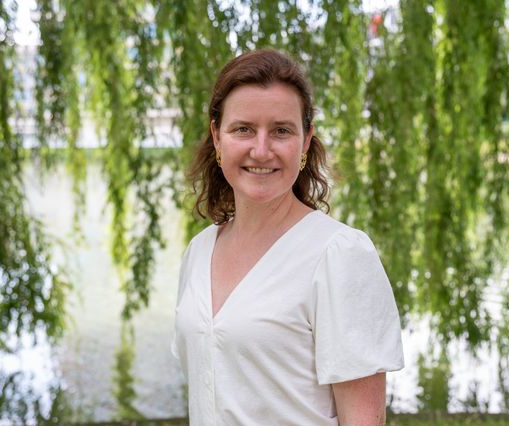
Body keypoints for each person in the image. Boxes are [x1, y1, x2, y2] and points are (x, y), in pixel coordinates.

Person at [173, 49, 404, 425]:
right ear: (217, 136)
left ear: (306, 140)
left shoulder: (339, 255)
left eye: (281, 130)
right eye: (243, 129)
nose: (261, 150)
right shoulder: (199, 251)